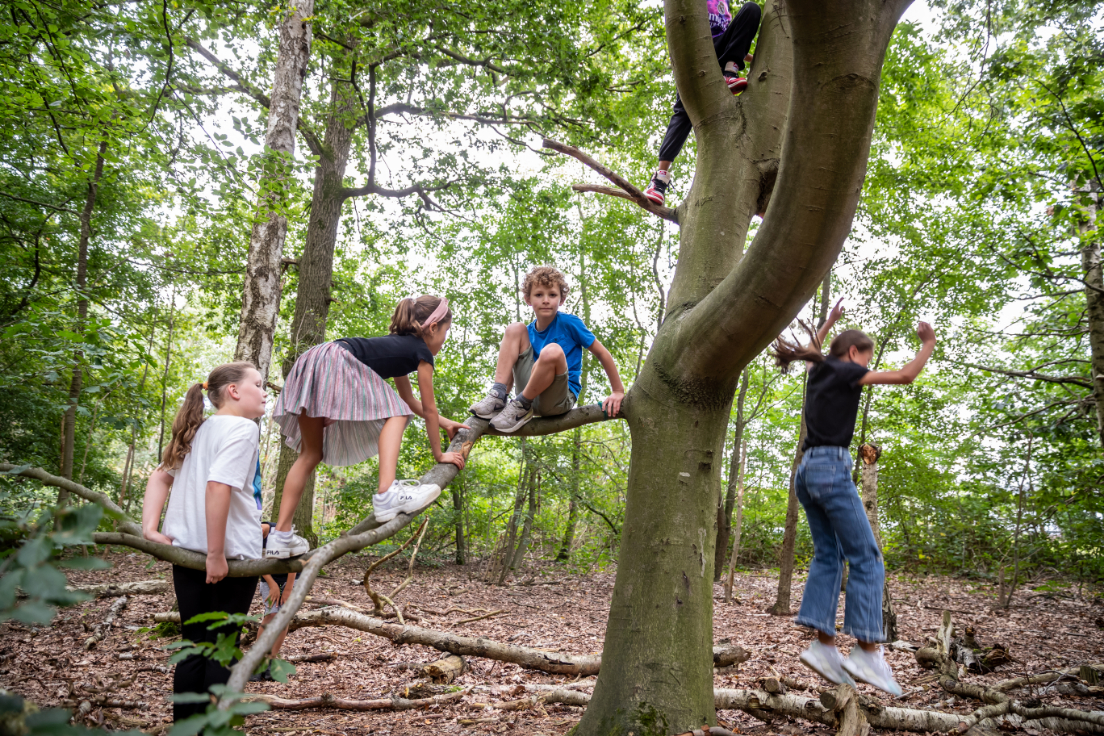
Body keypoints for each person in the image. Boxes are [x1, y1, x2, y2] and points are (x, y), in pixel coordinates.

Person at [772, 302, 936, 696]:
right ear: (853, 354)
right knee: (867, 557)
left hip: (806, 473)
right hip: (830, 469)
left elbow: (813, 348)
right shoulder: (848, 370)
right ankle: (866, 649)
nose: (867, 365)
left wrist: (828, 322)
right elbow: (905, 375)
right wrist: (928, 343)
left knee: (829, 555)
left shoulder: (818, 371)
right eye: (867, 357)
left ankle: (824, 646)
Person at [266, 295, 468, 558]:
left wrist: (446, 423)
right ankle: (386, 492)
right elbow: (427, 408)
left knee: (311, 453)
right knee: (397, 414)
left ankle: (280, 537)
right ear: (432, 328)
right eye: (446, 332)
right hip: (336, 360)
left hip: (316, 359)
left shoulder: (400, 350)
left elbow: (409, 399)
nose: (444, 339)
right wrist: (439, 454)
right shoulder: (422, 352)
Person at [140, 361, 267, 721]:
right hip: (228, 561)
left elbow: (160, 475)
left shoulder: (199, 429)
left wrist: (150, 528)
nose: (264, 392)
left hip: (185, 554)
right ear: (234, 391)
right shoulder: (243, 428)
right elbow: (218, 486)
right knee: (222, 649)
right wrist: (215, 554)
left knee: (194, 645)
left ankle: (186, 728)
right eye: (258, 384)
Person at [469, 266, 626, 432]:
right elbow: (512, 367)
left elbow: (602, 352)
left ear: (562, 299)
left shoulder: (569, 323)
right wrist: (505, 393)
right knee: (515, 328)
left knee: (552, 351)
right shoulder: (526, 334)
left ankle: (522, 405)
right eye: (539, 294)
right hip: (526, 396)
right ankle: (498, 398)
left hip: (558, 399)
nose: (546, 300)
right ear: (528, 299)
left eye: (552, 295)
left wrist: (617, 390)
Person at [643, 0, 763, 206]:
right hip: (696, 53)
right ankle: (659, 178)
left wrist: (758, 57)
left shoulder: (724, 4)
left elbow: (733, 37)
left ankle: (729, 72)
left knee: (752, 9)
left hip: (722, 50)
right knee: (683, 112)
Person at [251, 521, 296, 682]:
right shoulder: (253, 537)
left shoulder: (282, 531)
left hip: (290, 577)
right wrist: (272, 584)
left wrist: (289, 589)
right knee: (271, 614)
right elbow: (258, 562)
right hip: (268, 578)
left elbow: (294, 559)